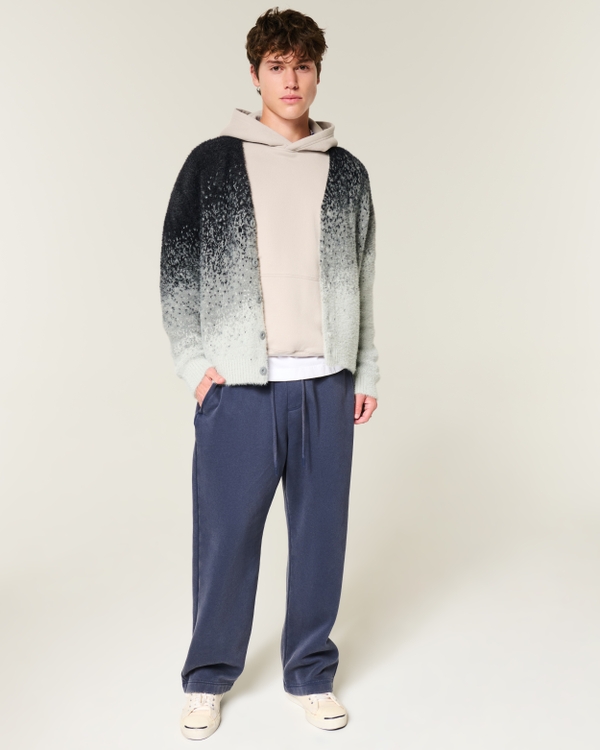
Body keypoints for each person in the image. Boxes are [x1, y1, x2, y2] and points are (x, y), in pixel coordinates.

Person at [160, 6, 380, 740]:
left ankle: (310, 673)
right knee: (226, 537)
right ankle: (207, 677)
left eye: (303, 66)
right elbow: (177, 273)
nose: (291, 80)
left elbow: (365, 275)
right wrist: (195, 366)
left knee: (320, 538)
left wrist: (366, 370)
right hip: (240, 388)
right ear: (254, 75)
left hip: (327, 382)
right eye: (277, 66)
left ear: (318, 74)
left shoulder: (347, 172)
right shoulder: (212, 163)